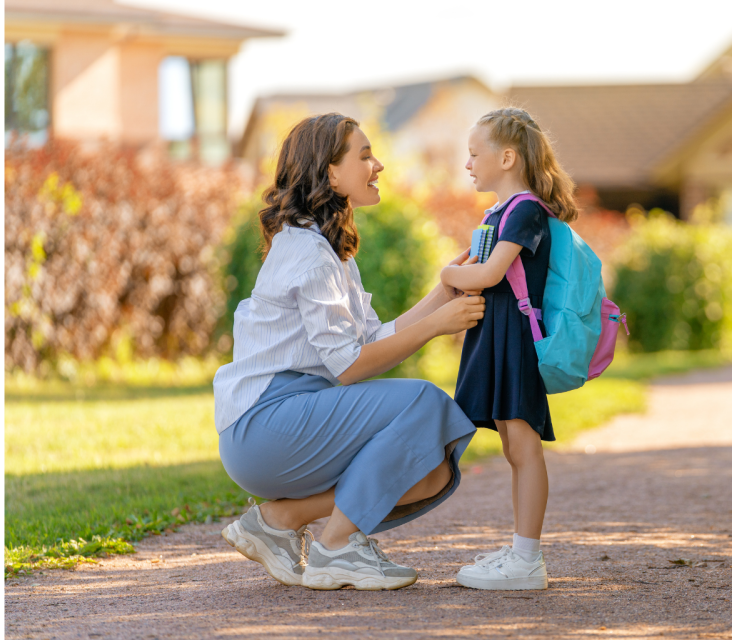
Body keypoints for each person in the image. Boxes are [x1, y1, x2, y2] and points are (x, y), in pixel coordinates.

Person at [213, 113, 485, 591]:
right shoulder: (308, 253)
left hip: (285, 420)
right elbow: (351, 367)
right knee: (426, 403)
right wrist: (434, 329)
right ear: (330, 173)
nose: (377, 165)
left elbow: (368, 340)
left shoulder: (329, 250)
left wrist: (442, 294)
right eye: (364, 155)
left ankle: (279, 521)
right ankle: (336, 547)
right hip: (264, 424)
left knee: (431, 467)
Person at [440, 107, 579, 590]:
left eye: (474, 154)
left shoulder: (525, 209)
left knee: (523, 446)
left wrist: (446, 274)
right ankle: (522, 551)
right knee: (512, 444)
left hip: (515, 341)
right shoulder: (500, 211)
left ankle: (527, 560)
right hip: (497, 336)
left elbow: (488, 274)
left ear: (506, 156)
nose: (468, 164)